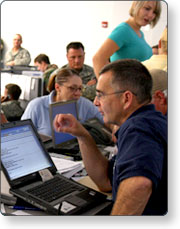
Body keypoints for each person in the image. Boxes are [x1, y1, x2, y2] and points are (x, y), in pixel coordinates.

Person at [53, 59, 167, 215]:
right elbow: (106, 181)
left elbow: (139, 184)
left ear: (126, 99)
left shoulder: (139, 128)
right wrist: (82, 135)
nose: (95, 102)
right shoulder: (145, 122)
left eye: (100, 95)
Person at [21, 68, 103, 137]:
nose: (78, 93)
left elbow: (106, 122)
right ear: (57, 87)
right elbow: (22, 136)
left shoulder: (83, 104)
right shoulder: (37, 106)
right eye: (72, 88)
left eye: (80, 89)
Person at [93, 1, 161, 78]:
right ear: (136, 6)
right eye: (147, 9)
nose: (150, 15)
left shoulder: (140, 34)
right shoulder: (124, 30)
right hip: (124, 87)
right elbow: (98, 59)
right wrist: (106, 88)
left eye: (154, 12)